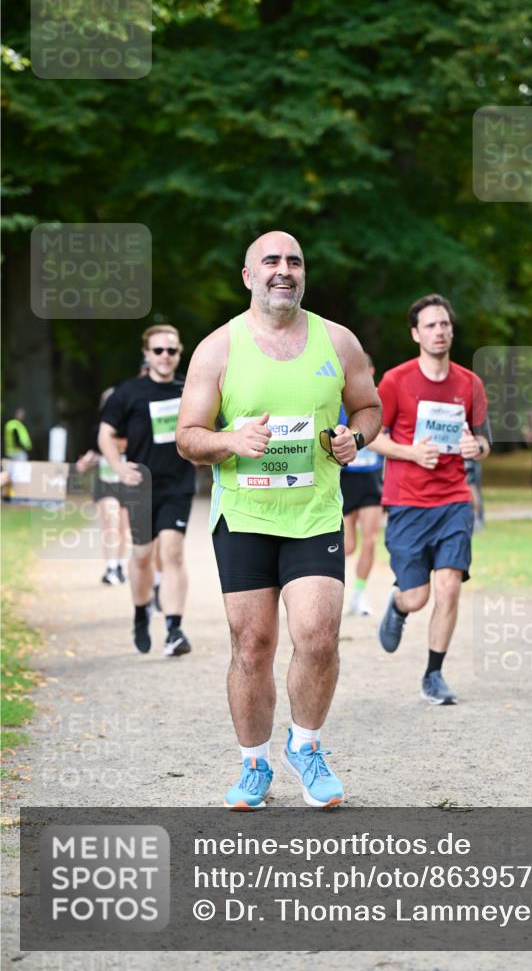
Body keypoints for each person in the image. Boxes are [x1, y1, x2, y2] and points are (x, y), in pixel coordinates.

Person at [176, 230, 381, 809]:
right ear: (248, 276)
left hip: (314, 512)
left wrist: (355, 438)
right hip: (243, 515)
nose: (283, 270)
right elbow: (188, 437)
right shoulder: (218, 349)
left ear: (303, 275)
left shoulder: (337, 342)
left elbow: (369, 407)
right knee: (253, 644)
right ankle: (253, 765)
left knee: (317, 638)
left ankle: (307, 745)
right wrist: (231, 439)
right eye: (270, 261)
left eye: (294, 261)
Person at [370, 293, 490, 705]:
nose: (439, 331)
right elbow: (372, 437)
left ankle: (434, 675)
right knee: (418, 595)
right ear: (416, 334)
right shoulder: (395, 380)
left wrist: (479, 449)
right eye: (431, 326)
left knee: (450, 586)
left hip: (454, 499)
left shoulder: (469, 383)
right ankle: (399, 605)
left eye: (444, 324)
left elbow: (483, 438)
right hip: (407, 501)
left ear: (451, 330)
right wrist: (411, 452)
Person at [98, 325, 196, 657]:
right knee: (141, 558)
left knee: (173, 552)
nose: (165, 356)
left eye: (171, 350)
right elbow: (104, 435)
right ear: (147, 354)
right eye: (158, 351)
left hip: (178, 485)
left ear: (179, 352)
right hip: (141, 487)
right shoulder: (128, 393)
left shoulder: (190, 389)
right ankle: (141, 615)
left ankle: (174, 629)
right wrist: (120, 466)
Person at [339, 353, 384, 616]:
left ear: (372, 370)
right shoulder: (339, 401)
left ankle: (359, 596)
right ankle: (333, 592)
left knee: (370, 541)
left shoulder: (379, 401)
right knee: (347, 546)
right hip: (346, 480)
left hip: (371, 479)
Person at [76, 388, 131, 585]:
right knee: (111, 522)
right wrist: (84, 463)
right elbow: (91, 454)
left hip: (127, 483)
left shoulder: (132, 425)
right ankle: (110, 568)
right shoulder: (98, 429)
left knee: (124, 528)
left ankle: (119, 566)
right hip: (105, 483)